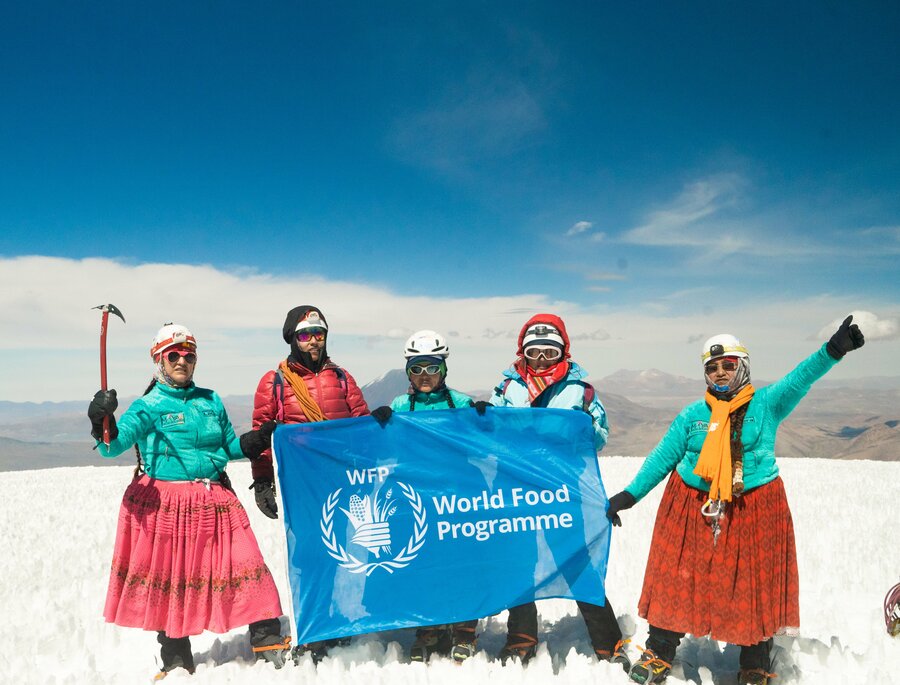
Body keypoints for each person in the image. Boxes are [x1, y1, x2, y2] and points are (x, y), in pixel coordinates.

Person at [606, 316, 865, 685]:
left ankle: (755, 663)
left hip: (754, 505)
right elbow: (663, 457)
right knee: (676, 578)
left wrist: (834, 349)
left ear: (743, 367)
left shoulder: (766, 404)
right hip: (690, 505)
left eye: (729, 365)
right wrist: (629, 496)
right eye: (712, 367)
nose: (721, 373)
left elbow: (800, 378)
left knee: (751, 584)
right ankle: (660, 650)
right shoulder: (693, 415)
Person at [87, 323, 290, 680]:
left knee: (247, 563)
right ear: (159, 360)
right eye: (174, 355)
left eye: (189, 355)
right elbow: (111, 446)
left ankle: (268, 639)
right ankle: (176, 655)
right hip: (168, 506)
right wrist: (101, 420)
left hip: (216, 499)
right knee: (174, 578)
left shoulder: (210, 400)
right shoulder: (148, 406)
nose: (182, 361)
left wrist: (250, 443)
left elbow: (226, 447)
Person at [487, 313, 630, 669]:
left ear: (563, 352)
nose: (540, 361)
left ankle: (608, 642)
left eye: (549, 353)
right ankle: (521, 638)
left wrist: (585, 424)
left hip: (563, 489)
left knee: (576, 558)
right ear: (522, 352)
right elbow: (491, 431)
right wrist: (483, 417)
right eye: (534, 353)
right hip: (517, 488)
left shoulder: (579, 391)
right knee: (519, 559)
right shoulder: (507, 389)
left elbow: (599, 438)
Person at [248, 305, 369, 661]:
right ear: (292, 338)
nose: (313, 341)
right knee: (309, 554)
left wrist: (377, 431)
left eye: (319, 333)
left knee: (334, 552)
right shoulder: (276, 381)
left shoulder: (342, 378)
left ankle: (327, 620)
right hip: (300, 485)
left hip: (341, 482)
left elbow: (361, 425)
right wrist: (262, 481)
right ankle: (313, 626)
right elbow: (261, 434)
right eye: (305, 334)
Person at [370, 330, 481, 663]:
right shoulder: (403, 405)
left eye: (431, 367)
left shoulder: (460, 403)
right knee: (425, 564)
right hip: (418, 500)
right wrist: (379, 425)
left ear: (444, 368)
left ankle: (464, 629)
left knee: (461, 563)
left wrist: (486, 419)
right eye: (416, 368)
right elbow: (388, 449)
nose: (424, 376)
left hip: (456, 498)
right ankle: (429, 627)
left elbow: (481, 440)